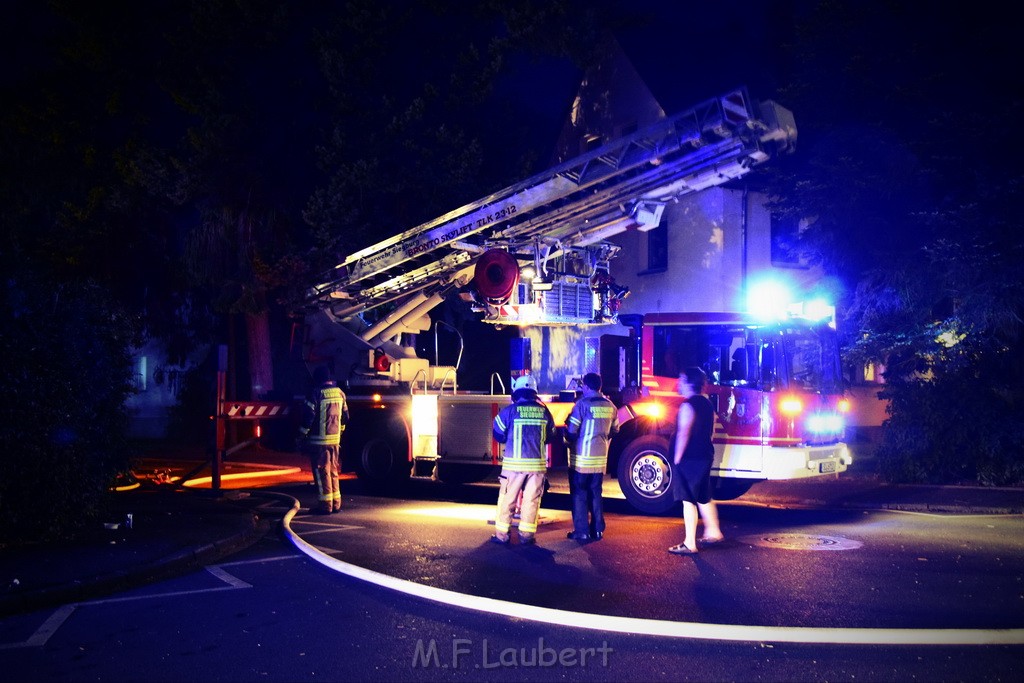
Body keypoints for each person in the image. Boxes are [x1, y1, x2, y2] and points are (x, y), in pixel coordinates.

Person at [490, 373, 556, 545]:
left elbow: (498, 434)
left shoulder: (509, 411)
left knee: (507, 500)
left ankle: (502, 536)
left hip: (514, 467)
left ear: (516, 393)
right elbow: (550, 437)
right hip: (537, 467)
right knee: (531, 501)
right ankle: (526, 537)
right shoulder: (544, 412)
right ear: (534, 393)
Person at [667, 367, 724, 554]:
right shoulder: (707, 404)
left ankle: (689, 543)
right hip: (705, 455)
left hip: (689, 459)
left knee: (688, 500)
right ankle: (714, 532)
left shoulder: (687, 405)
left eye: (681, 379)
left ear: (689, 382)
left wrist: (676, 458)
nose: (679, 382)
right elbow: (712, 431)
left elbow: (684, 432)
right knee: (704, 496)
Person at [565, 372, 619, 542]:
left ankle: (582, 531)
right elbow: (615, 430)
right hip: (600, 460)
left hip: (582, 460)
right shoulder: (611, 406)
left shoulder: (581, 405)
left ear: (586, 387)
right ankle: (597, 530)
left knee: (579, 494)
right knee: (596, 493)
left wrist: (565, 434)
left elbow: (572, 431)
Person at [299, 366, 349, 514]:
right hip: (335, 441)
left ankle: (325, 506)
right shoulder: (340, 393)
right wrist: (339, 432)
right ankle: (336, 504)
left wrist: (301, 435)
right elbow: (345, 417)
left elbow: (308, 418)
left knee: (322, 474)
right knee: (333, 471)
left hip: (318, 442)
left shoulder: (316, 393)